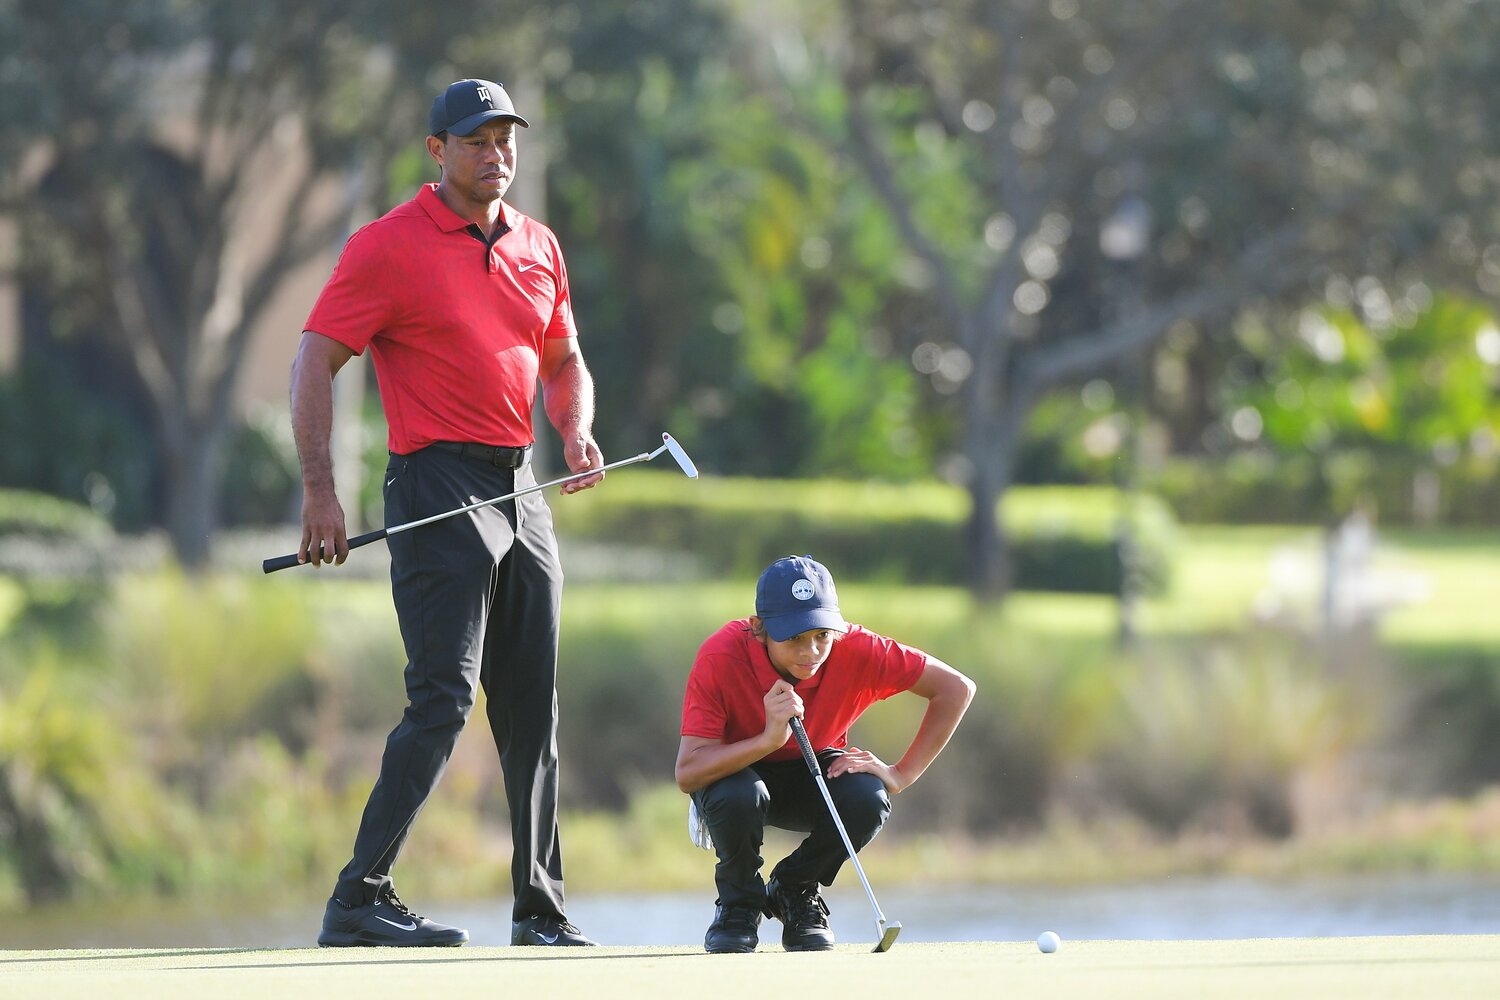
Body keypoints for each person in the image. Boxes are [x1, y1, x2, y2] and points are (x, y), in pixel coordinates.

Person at [291, 78, 602, 948]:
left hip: (521, 484)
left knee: (531, 705)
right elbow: (313, 363)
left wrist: (574, 430)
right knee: (443, 697)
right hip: (435, 486)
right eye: (475, 141)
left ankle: (540, 911)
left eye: (505, 139)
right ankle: (359, 897)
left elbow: (565, 358)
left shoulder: (539, 243)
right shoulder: (387, 246)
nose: (495, 154)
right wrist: (322, 489)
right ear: (438, 151)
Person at [675, 555, 976, 953]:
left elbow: (956, 688)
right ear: (759, 629)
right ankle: (738, 905)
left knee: (868, 798)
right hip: (733, 775)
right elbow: (688, 772)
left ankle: (794, 890)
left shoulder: (858, 649)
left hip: (811, 765)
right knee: (739, 795)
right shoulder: (721, 654)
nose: (811, 651)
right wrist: (767, 740)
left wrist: (901, 774)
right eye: (794, 638)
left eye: (821, 634)